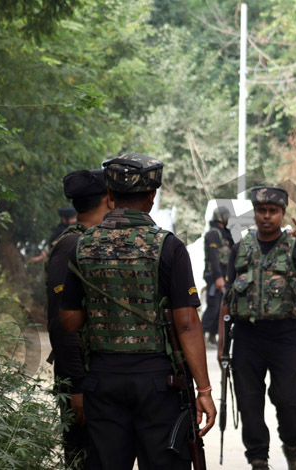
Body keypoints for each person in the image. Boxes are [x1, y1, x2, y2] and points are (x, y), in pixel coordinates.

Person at [59, 153, 216, 470]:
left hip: (102, 380)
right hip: (158, 382)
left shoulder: (81, 245)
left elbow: (70, 321)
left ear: (110, 195)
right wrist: (204, 390)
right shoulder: (169, 246)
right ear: (152, 196)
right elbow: (187, 325)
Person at [218, 186, 296, 470]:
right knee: (249, 403)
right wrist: (222, 348)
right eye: (261, 211)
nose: (266, 216)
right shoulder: (240, 248)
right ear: (255, 213)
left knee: (289, 401)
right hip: (247, 337)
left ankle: (292, 448)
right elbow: (227, 300)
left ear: (282, 214)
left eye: (273, 211)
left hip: (285, 337)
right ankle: (258, 459)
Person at [45, 168, 112, 468]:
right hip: (80, 380)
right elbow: (62, 325)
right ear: (108, 199)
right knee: (83, 458)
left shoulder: (92, 240)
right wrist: (76, 388)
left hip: (95, 376)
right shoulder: (71, 245)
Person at [202, 205, 234, 345]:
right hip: (215, 276)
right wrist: (218, 277)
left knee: (220, 307)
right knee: (213, 307)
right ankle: (201, 334)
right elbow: (213, 257)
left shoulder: (223, 233)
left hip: (223, 275)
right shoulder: (214, 233)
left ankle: (212, 336)